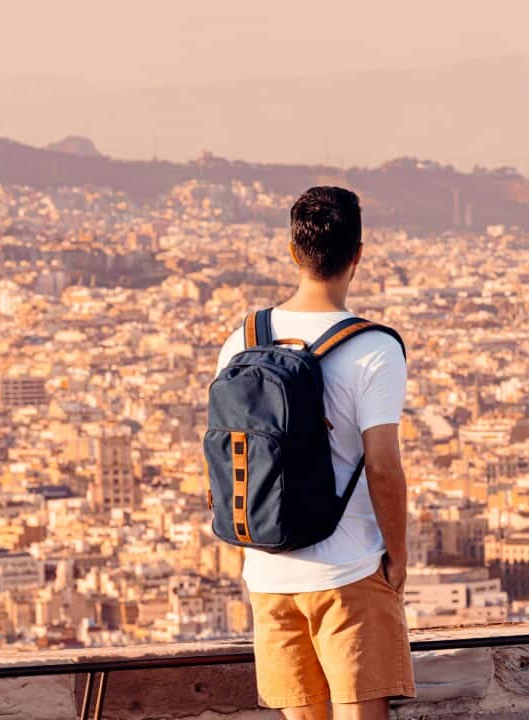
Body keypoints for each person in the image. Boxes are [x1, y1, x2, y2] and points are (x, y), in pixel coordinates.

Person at [214, 187, 414, 719]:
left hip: (268, 573)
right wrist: (397, 556)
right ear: (359, 254)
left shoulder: (242, 340)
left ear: (291, 251)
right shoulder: (373, 348)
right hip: (347, 570)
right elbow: (384, 467)